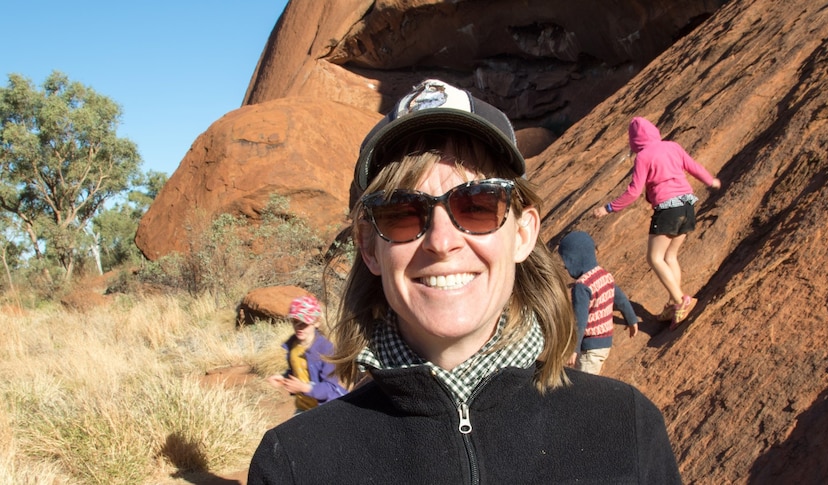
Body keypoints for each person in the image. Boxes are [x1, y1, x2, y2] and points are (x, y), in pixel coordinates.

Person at [249, 79, 681, 484]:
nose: (441, 242)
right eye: (401, 213)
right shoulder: (294, 464)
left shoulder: (626, 427)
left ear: (523, 233)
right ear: (368, 247)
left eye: (477, 204)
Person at [594, 116, 721, 330]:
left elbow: (634, 192)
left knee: (654, 258)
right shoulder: (673, 146)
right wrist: (710, 180)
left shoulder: (643, 156)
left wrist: (608, 208)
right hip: (687, 205)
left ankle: (680, 300)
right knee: (670, 256)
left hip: (668, 209)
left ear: (634, 141)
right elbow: (693, 167)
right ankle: (674, 302)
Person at [558, 230, 639, 374]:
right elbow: (621, 300)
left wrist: (574, 349)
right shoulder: (604, 275)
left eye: (566, 262)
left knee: (583, 387)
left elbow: (580, 322)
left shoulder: (582, 287)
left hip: (590, 347)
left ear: (574, 259)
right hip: (605, 342)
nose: (565, 267)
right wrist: (632, 320)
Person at [265, 295, 347, 413]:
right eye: (295, 322)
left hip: (325, 409)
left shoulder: (326, 349)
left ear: (316, 322)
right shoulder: (293, 347)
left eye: (304, 323)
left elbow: (331, 388)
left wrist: (304, 388)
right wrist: (283, 379)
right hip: (302, 408)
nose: (299, 328)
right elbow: (299, 373)